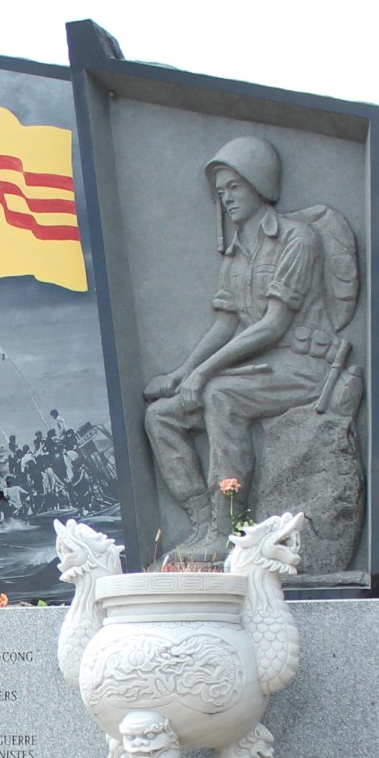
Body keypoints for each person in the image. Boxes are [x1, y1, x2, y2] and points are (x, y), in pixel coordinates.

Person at [142, 136, 347, 563]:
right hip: (256, 370)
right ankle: (203, 525)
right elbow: (225, 323)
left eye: (234, 186)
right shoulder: (235, 255)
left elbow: (273, 326)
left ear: (260, 183)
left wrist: (205, 375)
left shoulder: (298, 240)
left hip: (302, 367)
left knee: (221, 396)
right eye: (221, 191)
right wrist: (182, 375)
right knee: (161, 415)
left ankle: (230, 526)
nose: (227, 198)